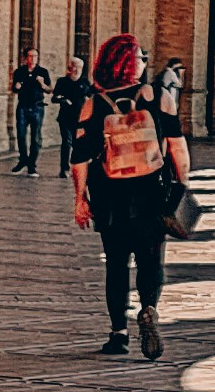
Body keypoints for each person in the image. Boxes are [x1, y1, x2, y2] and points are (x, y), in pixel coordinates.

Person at [72, 32, 189, 358]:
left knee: (116, 264)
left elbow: (79, 158)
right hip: (151, 191)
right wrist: (182, 185)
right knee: (151, 259)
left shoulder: (92, 104)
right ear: (127, 62)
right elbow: (177, 148)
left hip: (110, 195)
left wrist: (80, 199)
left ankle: (118, 333)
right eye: (140, 57)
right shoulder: (159, 97)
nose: (144, 62)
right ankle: (149, 307)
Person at [12, 49, 47, 176]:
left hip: (37, 106)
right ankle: (23, 160)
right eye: (30, 56)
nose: (33, 59)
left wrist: (42, 84)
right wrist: (16, 87)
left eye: (35, 56)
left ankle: (32, 165)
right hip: (23, 106)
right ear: (25, 58)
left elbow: (49, 90)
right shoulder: (19, 72)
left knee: (35, 137)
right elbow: (14, 89)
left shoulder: (42, 72)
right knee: (21, 135)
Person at [52, 55, 89, 170]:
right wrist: (63, 100)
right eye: (76, 67)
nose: (78, 70)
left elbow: (90, 96)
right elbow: (54, 98)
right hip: (65, 117)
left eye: (80, 67)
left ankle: (79, 167)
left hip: (80, 118)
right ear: (70, 68)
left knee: (77, 144)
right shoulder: (62, 82)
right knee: (66, 142)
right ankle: (64, 169)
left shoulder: (85, 82)